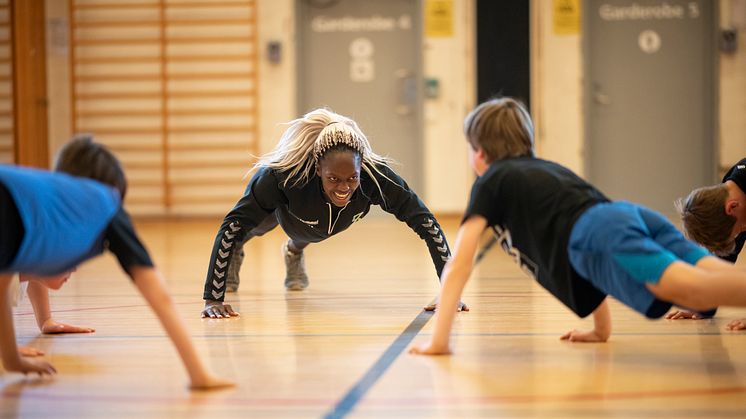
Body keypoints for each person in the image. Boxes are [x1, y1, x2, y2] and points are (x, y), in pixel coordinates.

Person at [410, 97, 746, 355]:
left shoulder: (492, 181)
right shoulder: (543, 168)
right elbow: (588, 261)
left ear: (480, 153)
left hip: (599, 230)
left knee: (691, 290)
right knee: (710, 270)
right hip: (626, 215)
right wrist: (601, 330)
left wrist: (440, 340)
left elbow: (460, 264)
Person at [0, 136, 233, 390]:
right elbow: (158, 294)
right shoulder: (106, 205)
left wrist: (12, 357)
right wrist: (199, 374)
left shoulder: (36, 207)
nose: (75, 268)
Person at [201, 108, 459, 318]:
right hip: (290, 211)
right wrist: (213, 298)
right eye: (334, 178)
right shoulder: (282, 178)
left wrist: (450, 294)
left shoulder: (375, 177)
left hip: (318, 225)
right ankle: (237, 251)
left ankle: (294, 251)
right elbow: (233, 224)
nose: (344, 188)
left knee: (313, 231)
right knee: (254, 226)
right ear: (317, 169)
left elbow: (425, 221)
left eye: (352, 178)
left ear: (361, 170)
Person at [664, 158, 746, 326]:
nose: (742, 230)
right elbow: (724, 257)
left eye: (738, 229)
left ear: (732, 207)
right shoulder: (729, 192)